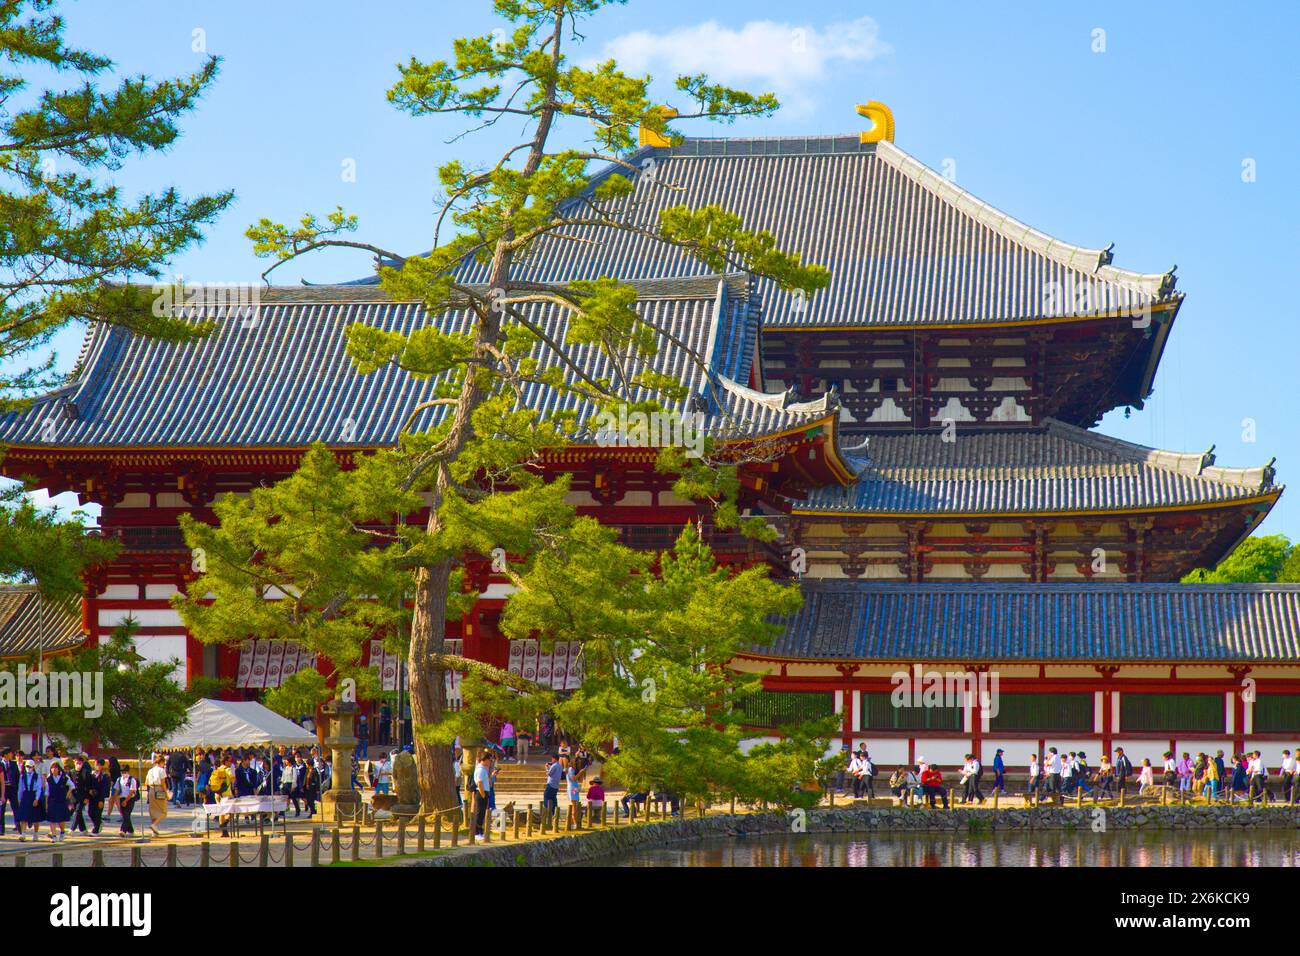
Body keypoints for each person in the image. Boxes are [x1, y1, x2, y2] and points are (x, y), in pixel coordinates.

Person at [44, 761, 73, 842]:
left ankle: (62, 832)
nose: (54, 769)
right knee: (52, 819)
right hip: (52, 800)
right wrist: (46, 803)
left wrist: (68, 794)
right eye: (52, 768)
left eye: (56, 767)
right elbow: (47, 792)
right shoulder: (49, 779)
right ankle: (54, 835)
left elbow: (72, 786)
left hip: (61, 800)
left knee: (61, 819)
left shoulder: (64, 777)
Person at [15, 759, 43, 841]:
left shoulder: (37, 776)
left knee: (35, 817)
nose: (28, 768)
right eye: (27, 766)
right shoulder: (22, 776)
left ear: (33, 767)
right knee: (23, 816)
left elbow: (39, 788)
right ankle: (23, 834)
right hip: (26, 795)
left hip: (33, 795)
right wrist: (19, 799)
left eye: (30, 767)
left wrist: (37, 799)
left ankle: (35, 833)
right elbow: (20, 788)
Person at [145, 754, 171, 837]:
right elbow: (163, 783)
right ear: (162, 762)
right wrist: (166, 794)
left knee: (153, 810)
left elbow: (146, 782)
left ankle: (154, 830)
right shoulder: (161, 770)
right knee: (163, 811)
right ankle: (154, 825)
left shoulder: (150, 770)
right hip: (159, 789)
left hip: (151, 790)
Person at [113, 765, 139, 836]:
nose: (123, 773)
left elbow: (132, 791)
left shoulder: (132, 780)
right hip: (122, 798)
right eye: (122, 772)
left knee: (126, 814)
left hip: (130, 799)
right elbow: (117, 790)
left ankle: (123, 830)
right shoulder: (119, 779)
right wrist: (115, 798)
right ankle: (130, 830)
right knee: (124, 815)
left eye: (125, 772)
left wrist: (126, 801)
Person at [471, 750, 491, 840]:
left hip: (484, 792)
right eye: (489, 760)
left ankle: (480, 831)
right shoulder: (480, 769)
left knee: (482, 813)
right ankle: (476, 832)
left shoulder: (483, 769)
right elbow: (479, 783)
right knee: (479, 813)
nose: (490, 762)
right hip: (481, 792)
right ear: (485, 759)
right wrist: (483, 794)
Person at [0, 748, 16, 836]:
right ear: (6, 754)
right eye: (10, 753)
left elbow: (16, 776)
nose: (12, 754)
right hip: (3, 788)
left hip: (12, 788)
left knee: (15, 808)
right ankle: (2, 829)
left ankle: (19, 827)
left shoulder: (13, 764)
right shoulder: (0, 764)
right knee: (2, 810)